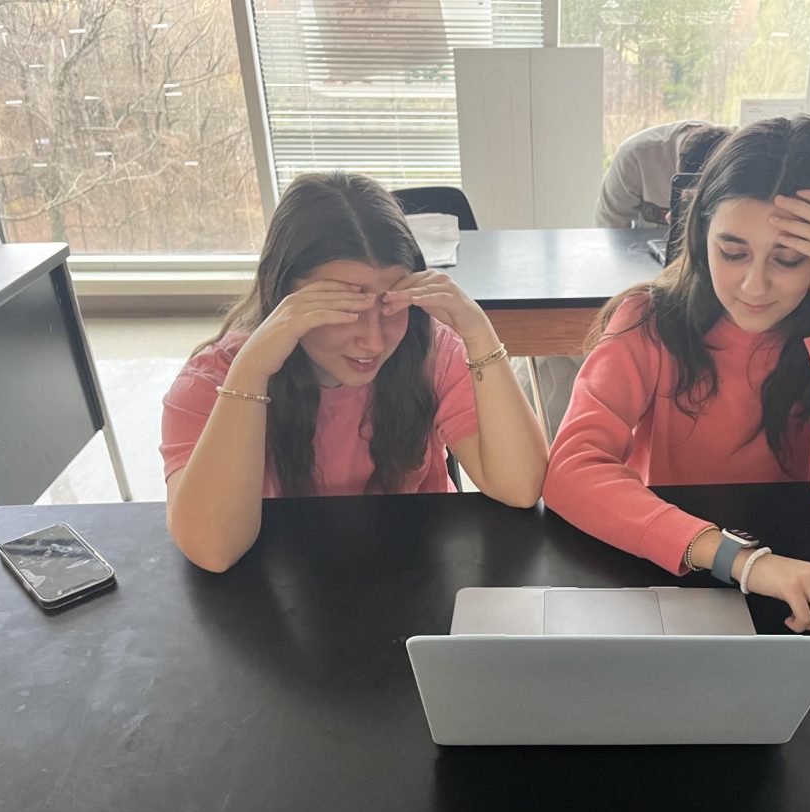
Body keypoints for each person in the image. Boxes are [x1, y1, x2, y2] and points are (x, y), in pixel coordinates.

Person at [545, 116, 810, 633]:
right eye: (732, 251)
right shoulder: (650, 321)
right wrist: (744, 562)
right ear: (701, 235)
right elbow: (571, 471)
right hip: (677, 572)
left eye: (789, 259)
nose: (754, 285)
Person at [161, 171, 549, 572]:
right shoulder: (214, 379)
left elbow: (519, 487)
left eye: (389, 304)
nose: (374, 341)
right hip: (280, 584)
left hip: (413, 572)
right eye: (344, 308)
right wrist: (251, 373)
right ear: (281, 296)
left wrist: (477, 331)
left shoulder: (429, 349)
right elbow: (213, 549)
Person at [594, 121, 735, 228]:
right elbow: (609, 224)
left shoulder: (738, 153)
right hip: (643, 253)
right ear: (678, 166)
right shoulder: (634, 156)